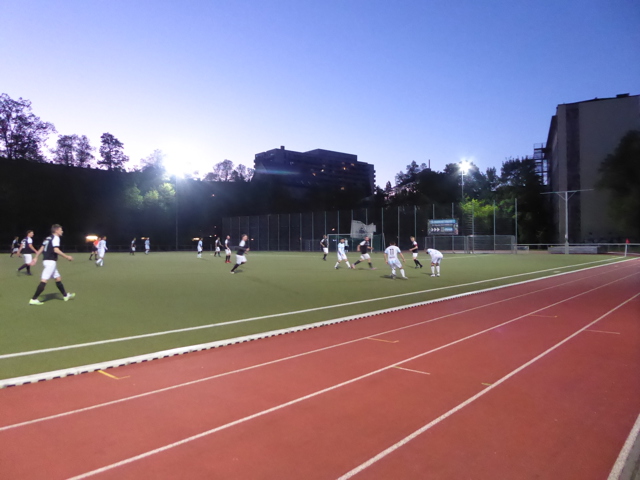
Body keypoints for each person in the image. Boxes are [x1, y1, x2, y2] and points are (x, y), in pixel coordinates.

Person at [29, 224, 75, 305]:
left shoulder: (48, 238)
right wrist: (67, 257)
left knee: (58, 278)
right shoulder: (56, 238)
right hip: (50, 262)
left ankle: (65, 295)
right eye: (61, 230)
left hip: (47, 261)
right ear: (56, 231)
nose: (62, 231)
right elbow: (56, 250)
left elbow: (42, 248)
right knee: (44, 280)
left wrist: (36, 257)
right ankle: (34, 299)